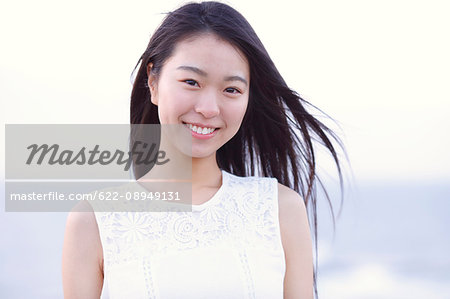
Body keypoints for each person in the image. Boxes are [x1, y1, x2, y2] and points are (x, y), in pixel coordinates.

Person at [62, 1, 344, 298]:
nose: (209, 109)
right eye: (192, 82)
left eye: (231, 89)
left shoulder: (280, 210)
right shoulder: (95, 221)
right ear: (153, 82)